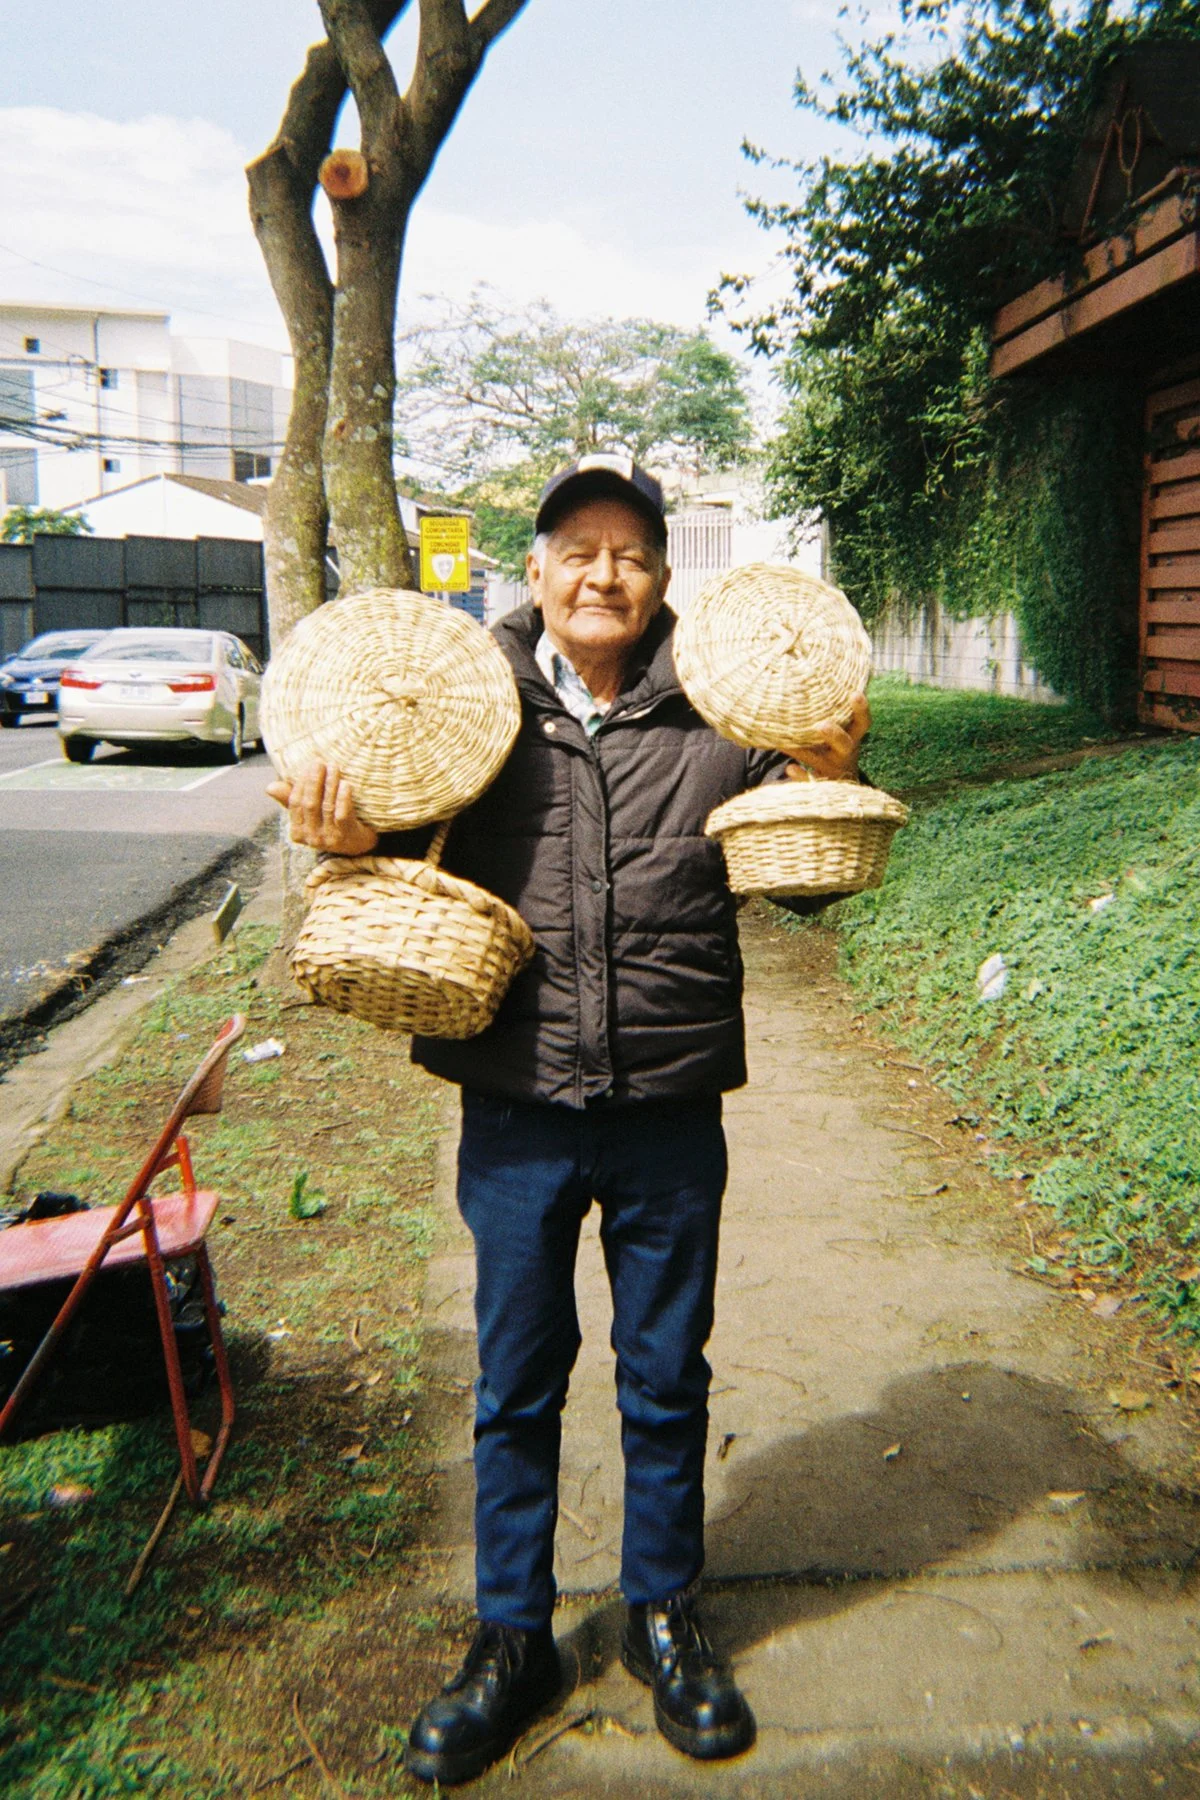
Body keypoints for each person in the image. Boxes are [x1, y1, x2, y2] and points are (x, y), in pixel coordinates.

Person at [268, 455, 869, 1787]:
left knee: (665, 1373)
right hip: (516, 1104)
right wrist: (340, 834)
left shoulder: (725, 706)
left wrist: (825, 770)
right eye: (577, 549)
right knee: (515, 1378)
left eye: (632, 554)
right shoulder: (454, 705)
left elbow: (807, 886)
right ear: (533, 570)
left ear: (663, 581)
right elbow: (371, 843)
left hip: (667, 1103)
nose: (604, 574)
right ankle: (510, 1637)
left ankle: (665, 1610)